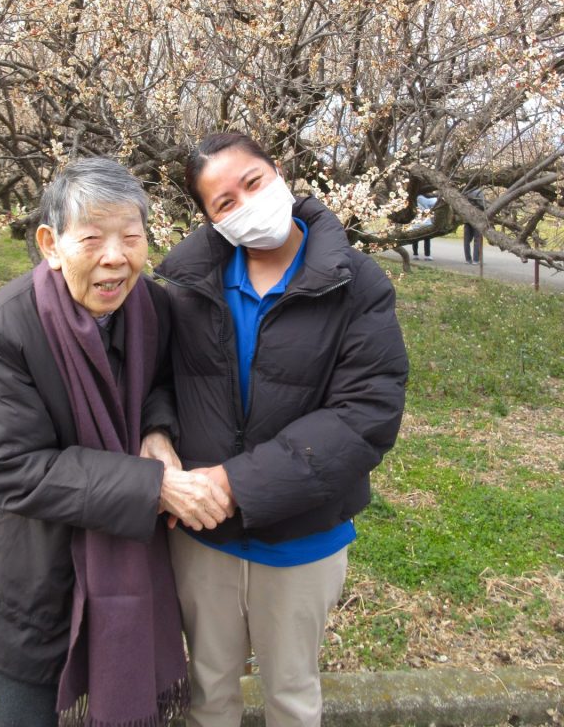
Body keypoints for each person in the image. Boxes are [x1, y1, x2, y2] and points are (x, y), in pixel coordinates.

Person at [0, 158, 233, 727]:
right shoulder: (10, 327)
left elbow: (162, 382)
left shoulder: (152, 307)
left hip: (124, 551)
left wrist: (156, 428)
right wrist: (155, 488)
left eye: (131, 237)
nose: (115, 257)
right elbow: (15, 466)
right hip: (28, 564)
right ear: (50, 245)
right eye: (92, 239)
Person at [155, 133, 408, 727]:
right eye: (224, 202)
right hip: (203, 536)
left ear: (280, 172)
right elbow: (157, 380)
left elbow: (365, 413)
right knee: (208, 692)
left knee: (292, 694)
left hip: (301, 536)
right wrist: (156, 435)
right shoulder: (189, 285)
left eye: (254, 182)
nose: (245, 204)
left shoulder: (355, 282)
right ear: (212, 220)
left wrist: (234, 483)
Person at [463, 187, 485, 264]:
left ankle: (468, 259)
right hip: (477, 218)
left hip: (467, 218)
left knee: (466, 240)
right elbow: (482, 205)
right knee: (477, 239)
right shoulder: (479, 191)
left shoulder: (465, 191)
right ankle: (476, 259)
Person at [411, 193, 437, 261]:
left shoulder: (412, 199)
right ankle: (427, 256)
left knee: (415, 240)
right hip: (426, 223)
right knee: (427, 239)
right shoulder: (427, 199)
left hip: (416, 223)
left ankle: (415, 255)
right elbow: (435, 201)